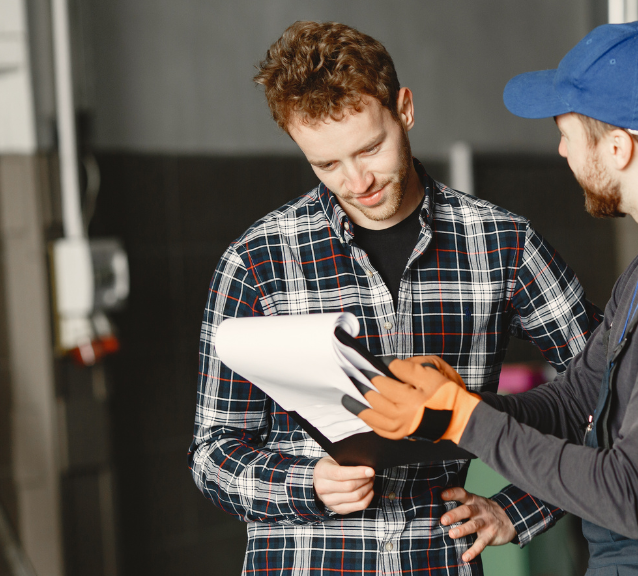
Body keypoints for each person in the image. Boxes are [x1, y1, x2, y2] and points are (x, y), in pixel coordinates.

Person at [354, 22, 638, 575]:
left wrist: (464, 421)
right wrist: (456, 401)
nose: (562, 150)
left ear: (618, 147)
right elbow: (574, 407)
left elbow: (630, 496)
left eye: (568, 132)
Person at [188, 20, 603, 575]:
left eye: (370, 148)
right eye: (327, 164)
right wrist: (305, 483)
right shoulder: (257, 261)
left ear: (404, 109)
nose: (357, 180)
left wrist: (518, 512)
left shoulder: (501, 243)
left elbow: (611, 393)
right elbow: (213, 450)